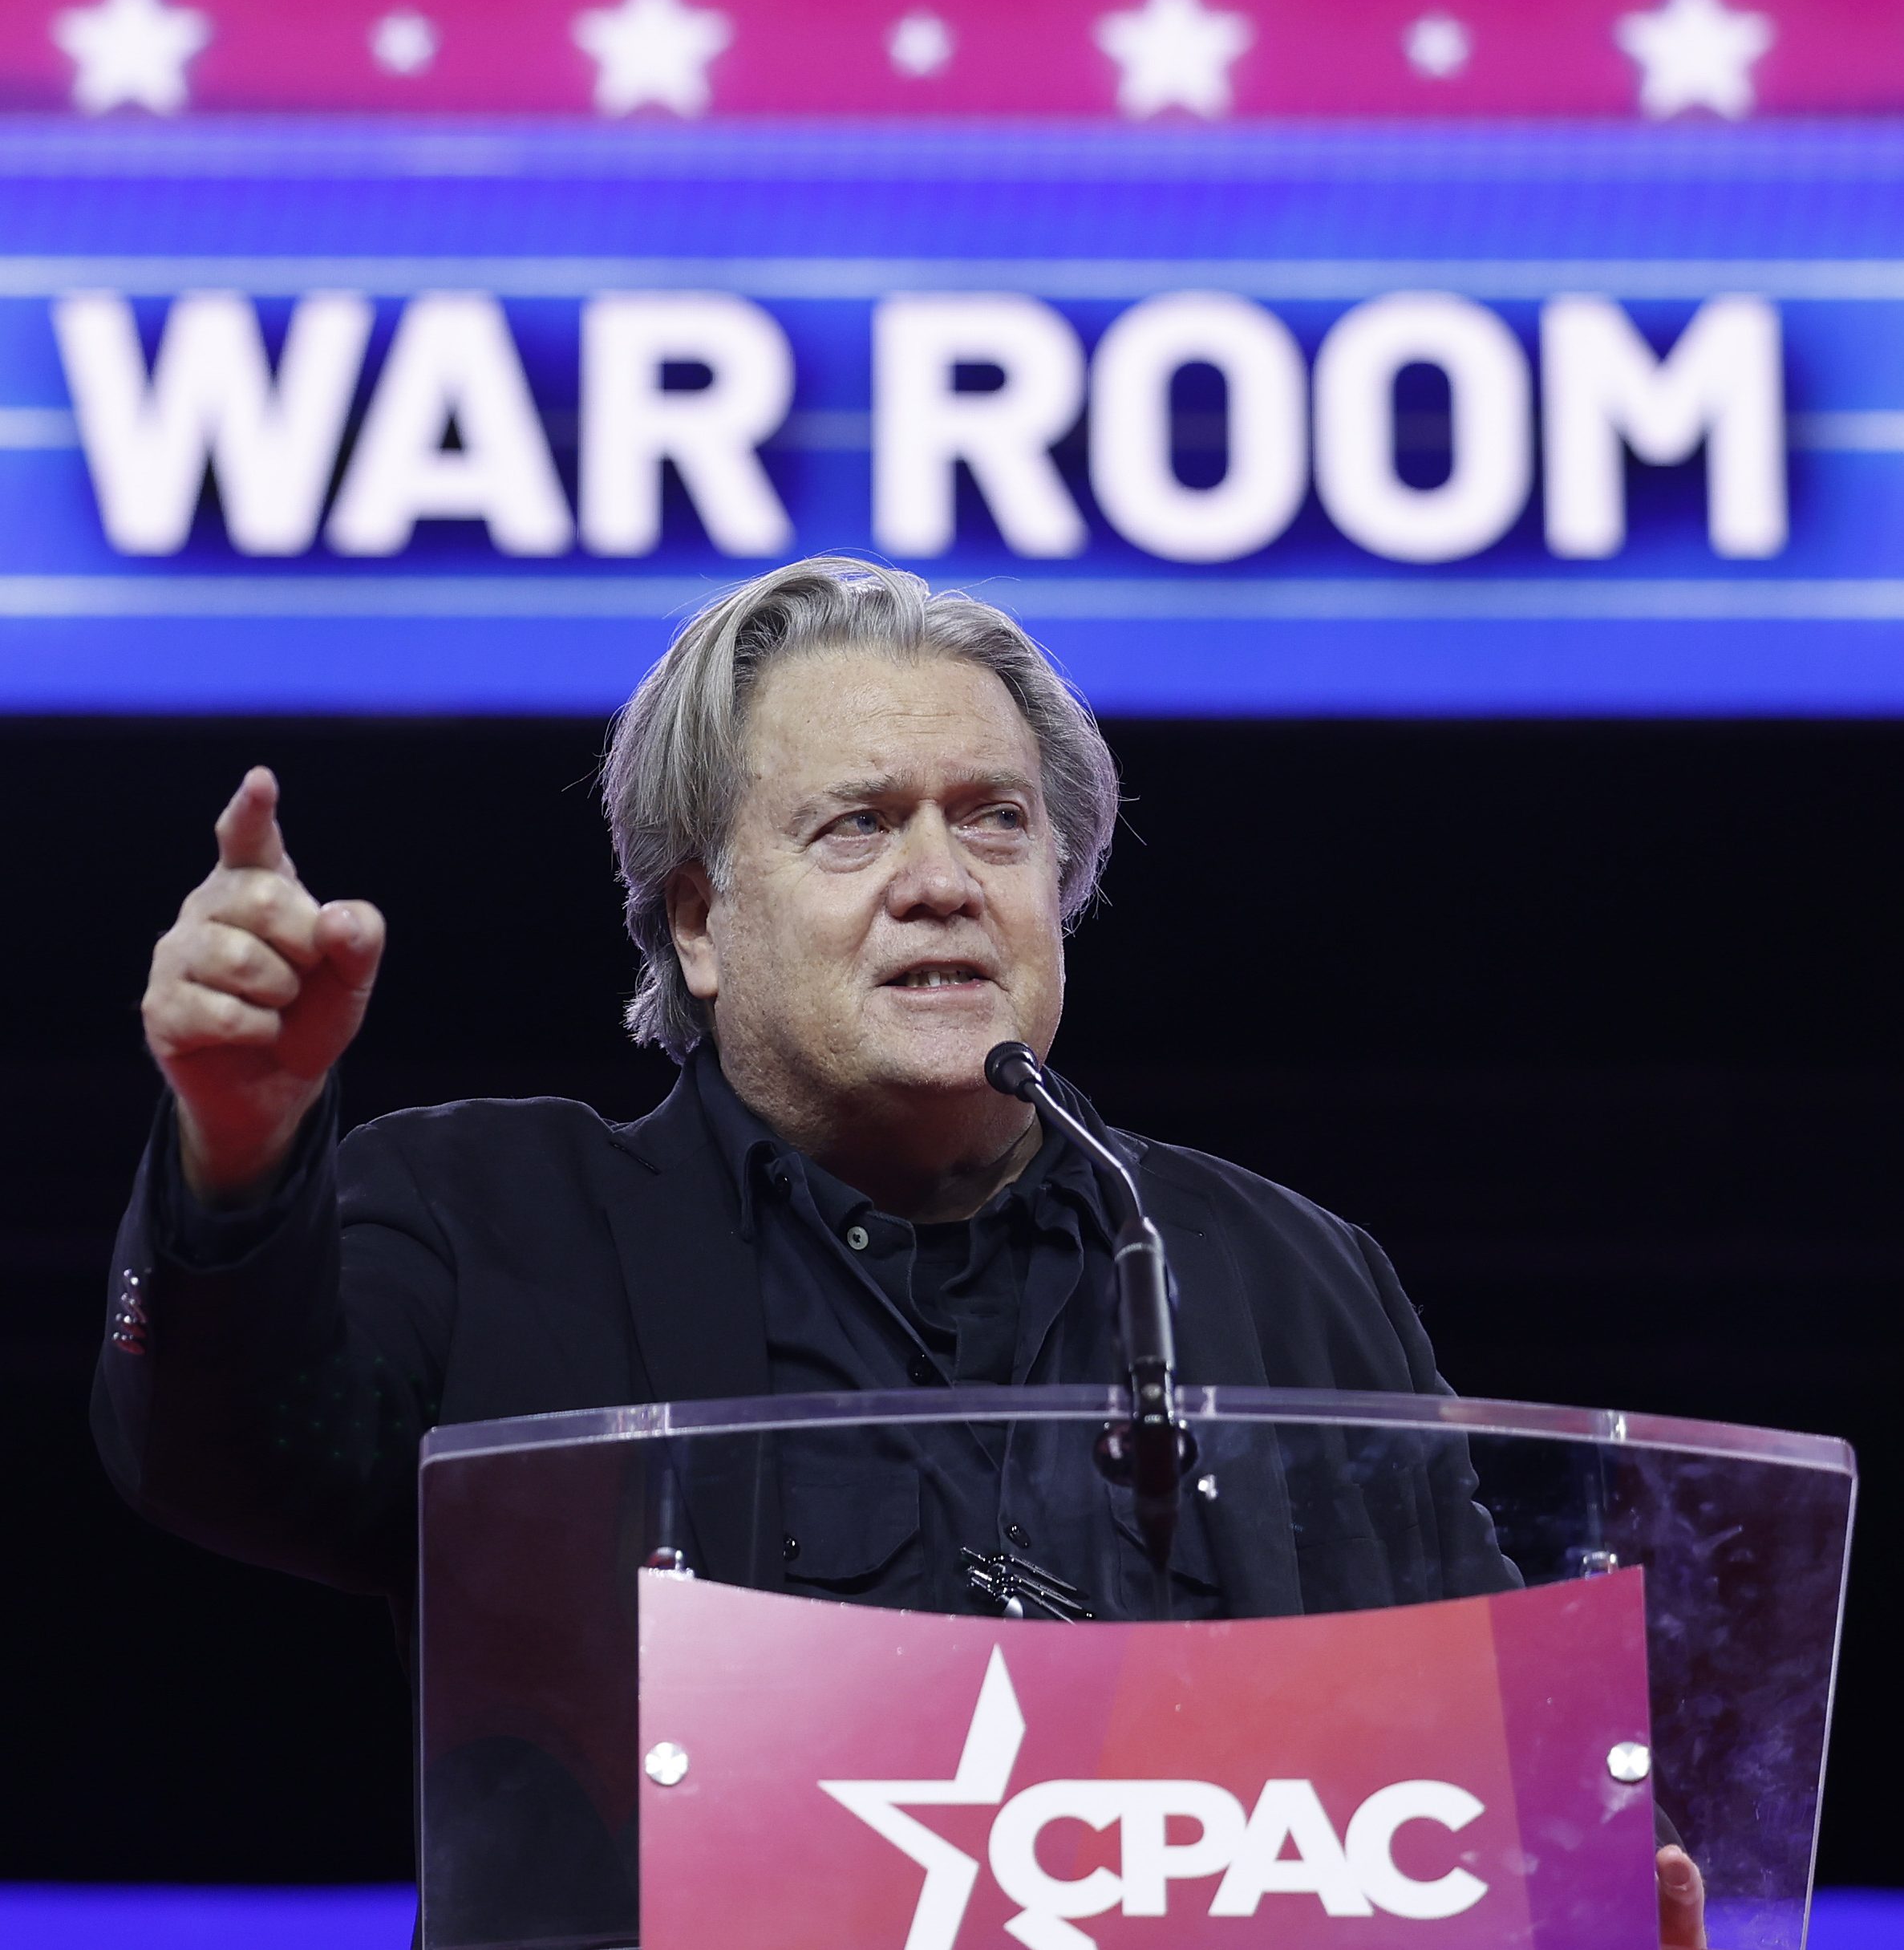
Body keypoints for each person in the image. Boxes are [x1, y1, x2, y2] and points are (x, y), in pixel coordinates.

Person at [92, 555, 1704, 1945]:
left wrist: (1573, 1897)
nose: (941, 881)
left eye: (993, 823)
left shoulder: (1283, 1272)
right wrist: (239, 1145)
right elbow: (225, 1452)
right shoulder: (497, 1220)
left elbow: (1484, 1778)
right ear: (703, 922)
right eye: (856, 826)